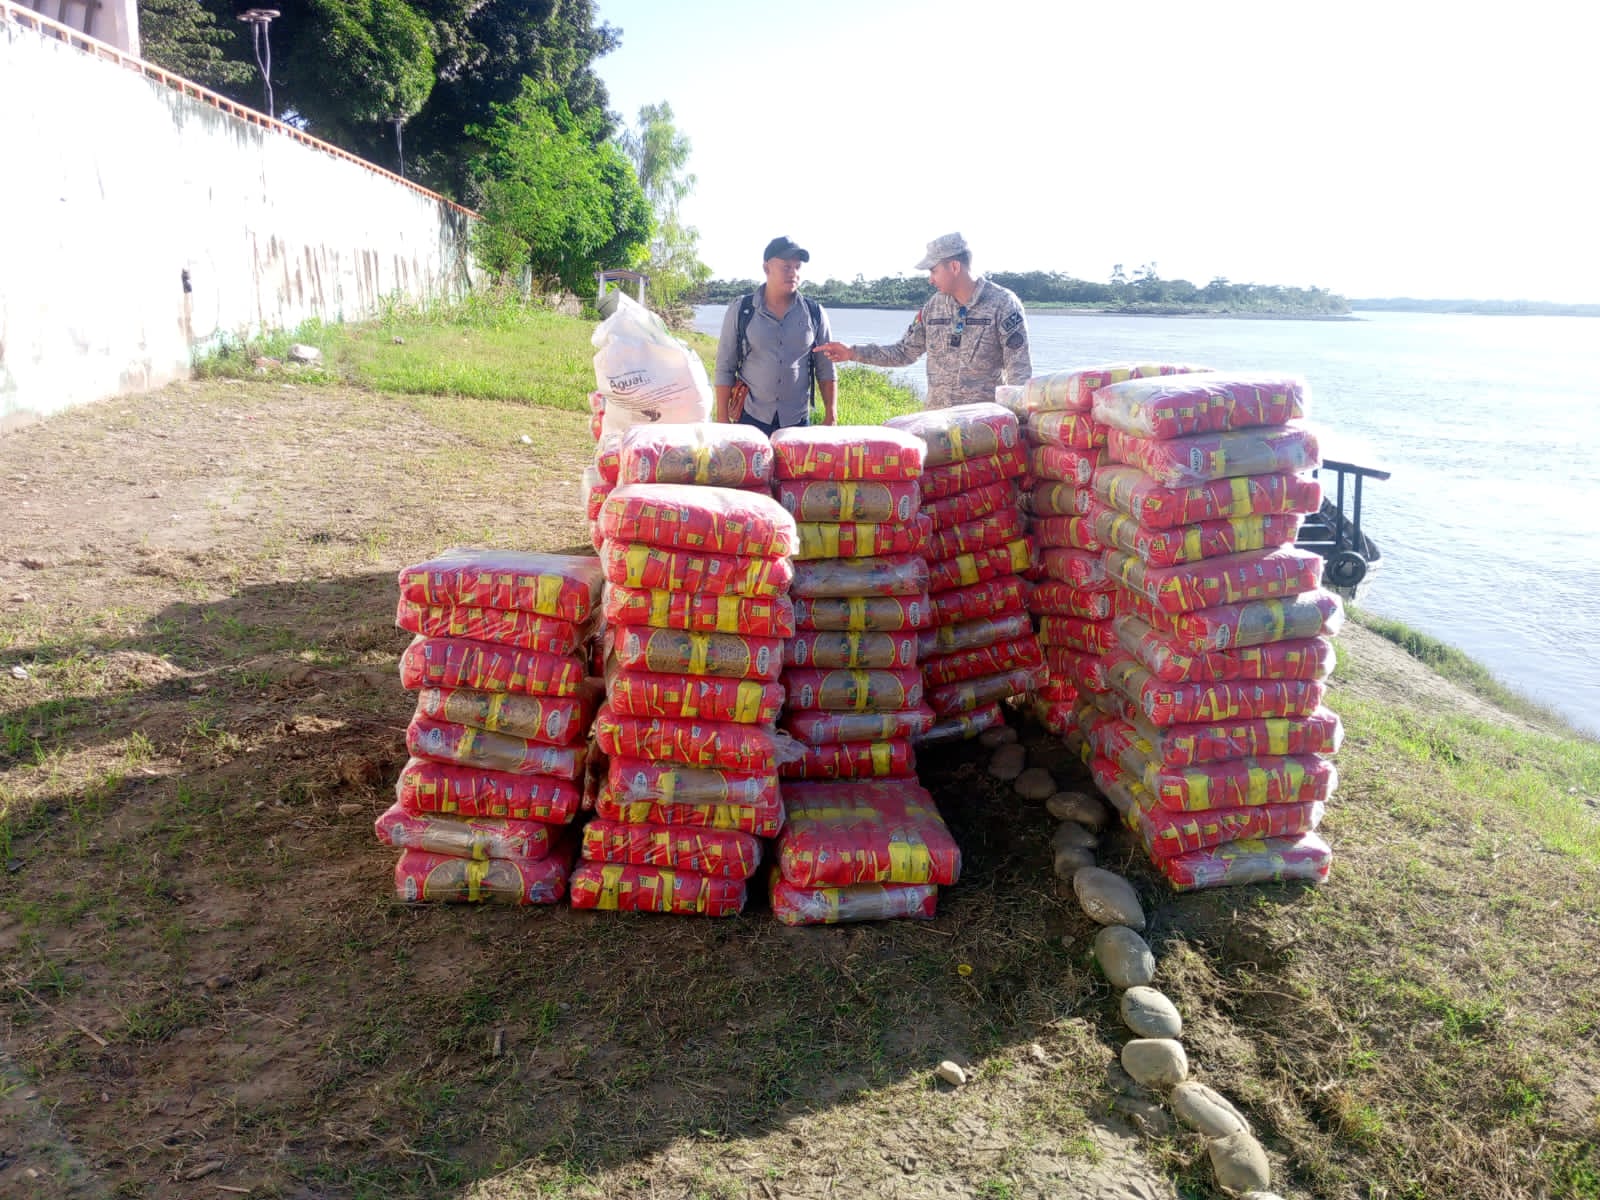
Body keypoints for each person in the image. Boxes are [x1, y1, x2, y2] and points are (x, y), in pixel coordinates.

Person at [815, 232, 1031, 409]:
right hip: (937, 425)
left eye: (934, 270)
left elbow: (1019, 372)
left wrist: (1017, 420)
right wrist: (852, 352)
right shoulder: (934, 306)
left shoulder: (1004, 304)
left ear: (954, 267)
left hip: (984, 428)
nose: (930, 279)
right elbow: (904, 352)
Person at [713, 236, 838, 432]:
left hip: (797, 421)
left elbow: (826, 368)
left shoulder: (814, 313)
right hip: (750, 417)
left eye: (797, 267)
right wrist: (722, 418)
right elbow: (724, 367)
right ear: (766, 268)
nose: (793, 273)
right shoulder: (742, 310)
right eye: (786, 267)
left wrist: (831, 415)